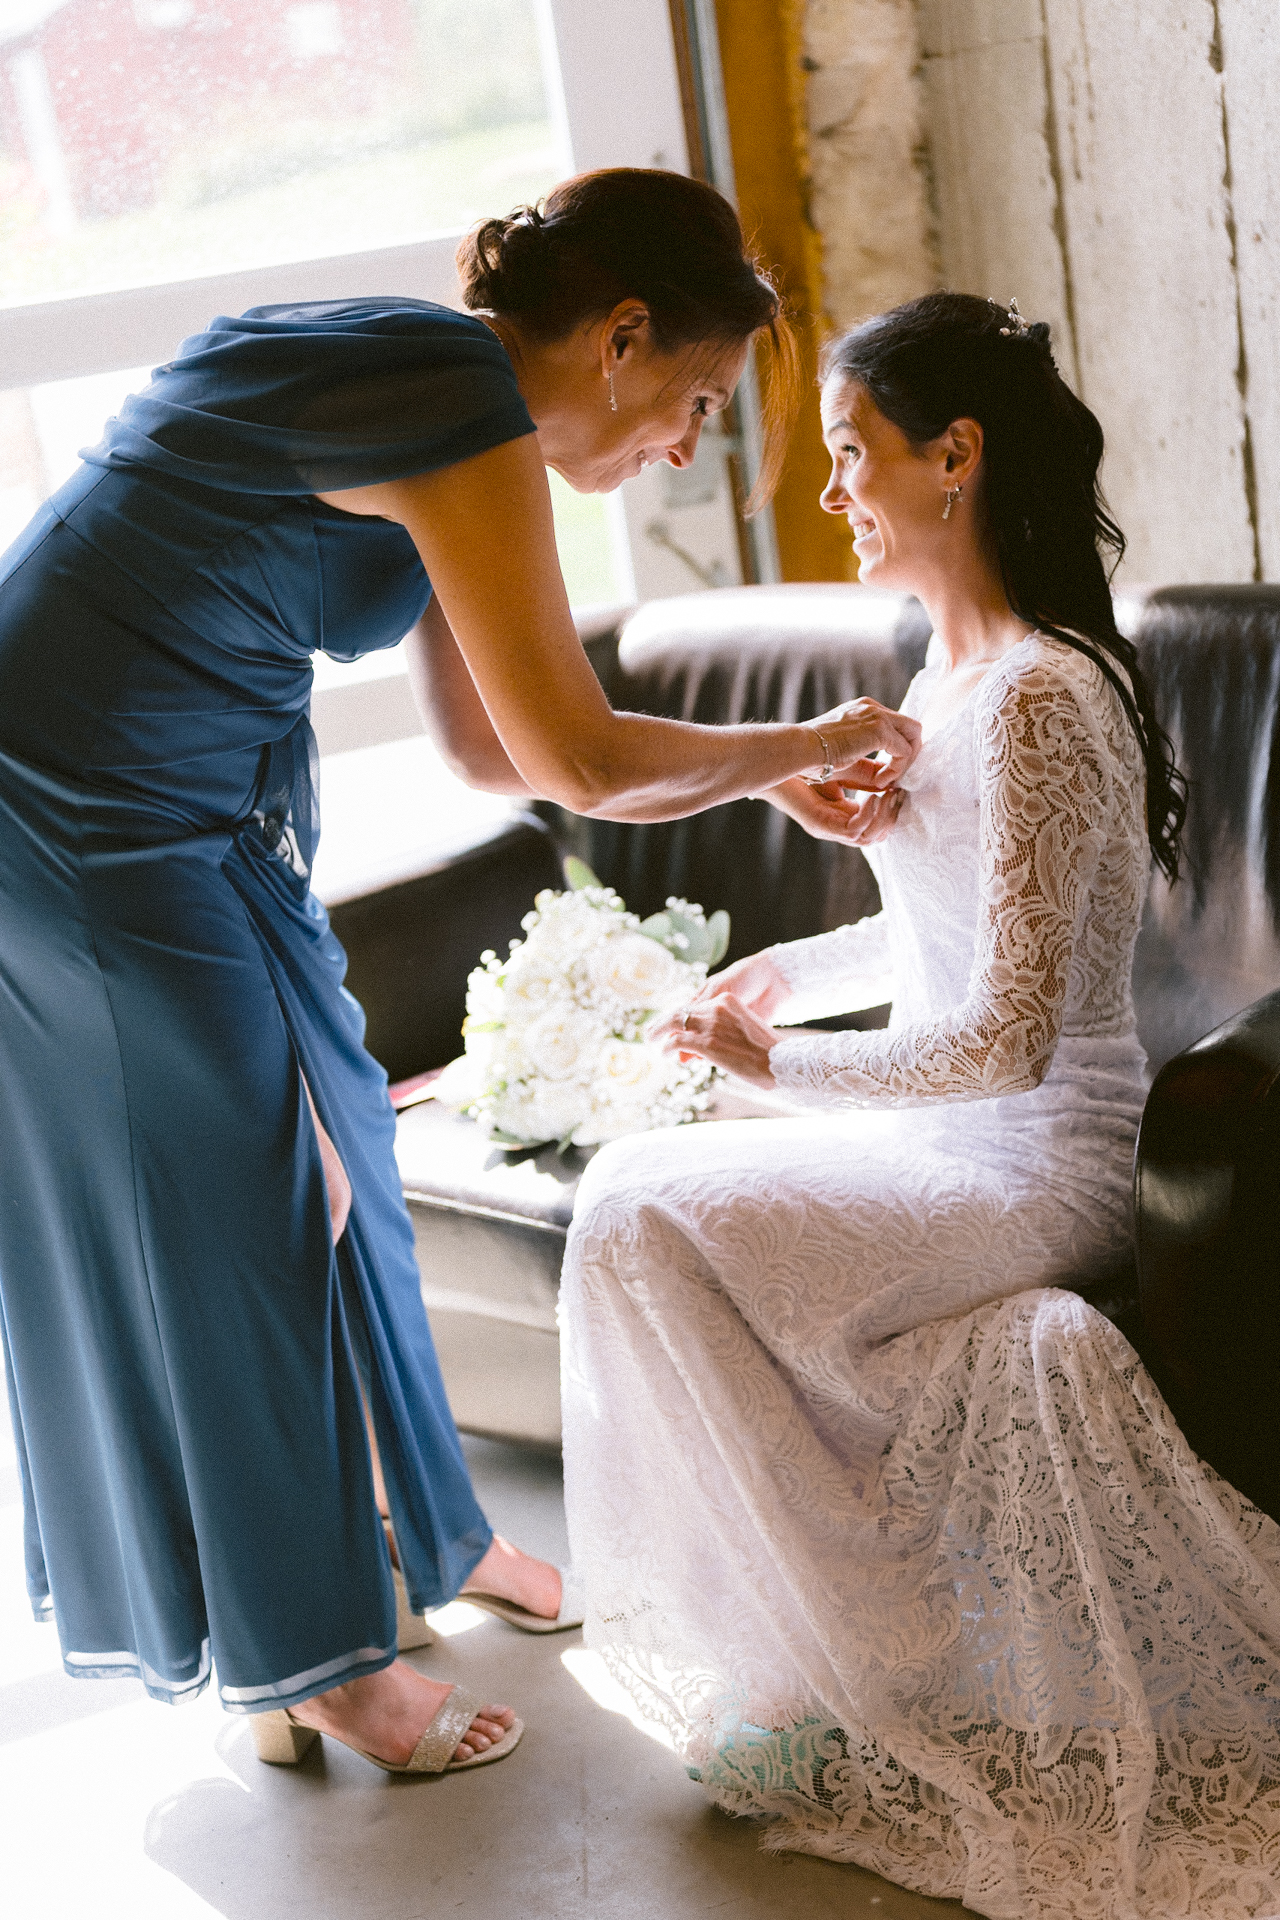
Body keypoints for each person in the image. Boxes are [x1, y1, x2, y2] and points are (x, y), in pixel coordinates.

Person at [0, 168, 921, 1778]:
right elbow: (575, 747)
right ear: (622, 338)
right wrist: (789, 753)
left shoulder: (440, 403)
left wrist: (741, 770)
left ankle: (425, 1544)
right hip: (74, 820)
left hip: (197, 816)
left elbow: (489, 748)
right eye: (697, 398)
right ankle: (313, 1658)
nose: (682, 445)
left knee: (348, 1135)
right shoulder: (442, 392)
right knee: (240, 1208)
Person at [558, 292, 1280, 1915]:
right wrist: (770, 989)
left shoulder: (1039, 694)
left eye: (847, 455)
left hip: (1046, 1155)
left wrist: (775, 1075)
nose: (827, 494)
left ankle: (847, 1671)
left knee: (638, 1215)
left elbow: (1006, 1041)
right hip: (955, 1132)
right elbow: (915, 941)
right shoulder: (941, 678)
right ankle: (832, 1656)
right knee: (644, 1187)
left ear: (955, 456)